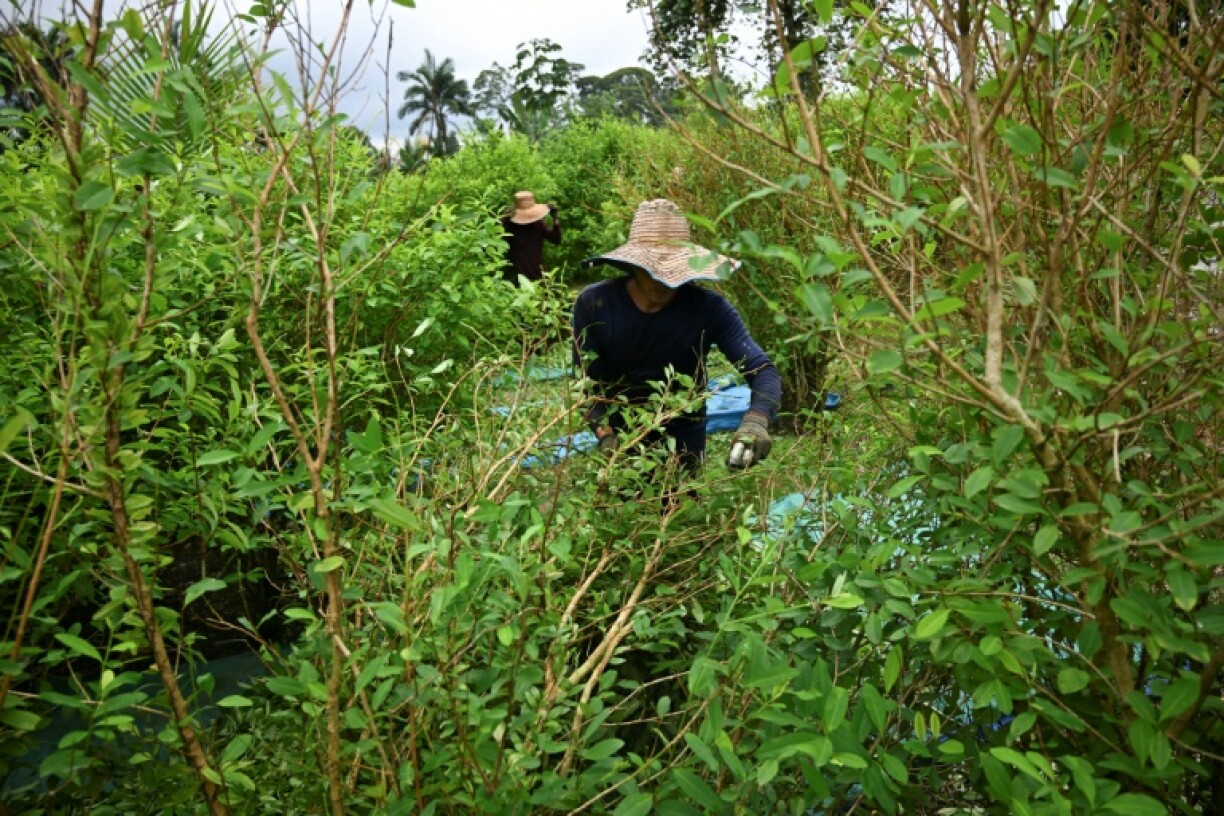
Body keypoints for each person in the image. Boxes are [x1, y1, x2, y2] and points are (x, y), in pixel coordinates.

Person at [572, 198, 781, 473]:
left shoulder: (708, 308)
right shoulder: (595, 304)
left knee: (680, 509)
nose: (662, 282)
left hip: (684, 436)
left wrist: (756, 420)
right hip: (621, 434)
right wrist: (607, 437)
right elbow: (587, 383)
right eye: (653, 272)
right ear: (635, 265)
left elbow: (763, 370)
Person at [501, 190, 562, 283]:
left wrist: (555, 219)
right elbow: (497, 236)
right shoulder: (510, 223)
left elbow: (556, 239)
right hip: (518, 277)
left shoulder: (537, 223)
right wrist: (505, 216)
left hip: (536, 275)